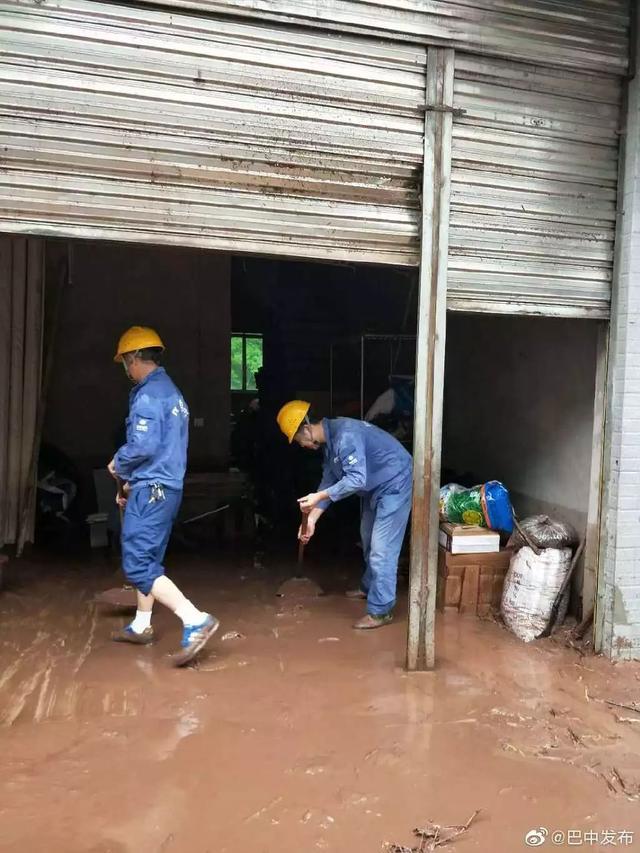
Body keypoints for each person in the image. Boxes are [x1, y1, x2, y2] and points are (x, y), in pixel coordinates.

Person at [108, 326, 219, 666]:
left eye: (126, 363)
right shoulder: (171, 392)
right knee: (149, 559)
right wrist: (132, 484)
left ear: (135, 358)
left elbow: (143, 445)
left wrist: (119, 464)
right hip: (163, 486)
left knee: (138, 562)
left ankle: (195, 619)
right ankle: (142, 625)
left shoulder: (149, 395)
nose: (126, 370)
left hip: (153, 488)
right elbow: (165, 448)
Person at [276, 401, 413, 629]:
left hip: (395, 483)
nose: (302, 446)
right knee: (368, 538)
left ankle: (381, 610)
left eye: (299, 441)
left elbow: (356, 480)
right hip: (376, 486)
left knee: (382, 549)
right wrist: (311, 520)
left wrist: (317, 498)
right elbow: (329, 481)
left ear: (307, 429)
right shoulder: (330, 444)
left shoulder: (346, 435)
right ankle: (369, 587)